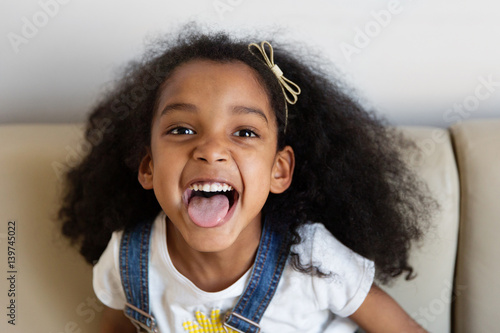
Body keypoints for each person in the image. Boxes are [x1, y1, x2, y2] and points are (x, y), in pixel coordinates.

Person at [59, 26, 434, 332]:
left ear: (279, 170)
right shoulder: (127, 259)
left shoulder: (314, 259)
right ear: (148, 168)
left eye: (245, 132)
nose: (211, 149)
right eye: (182, 129)